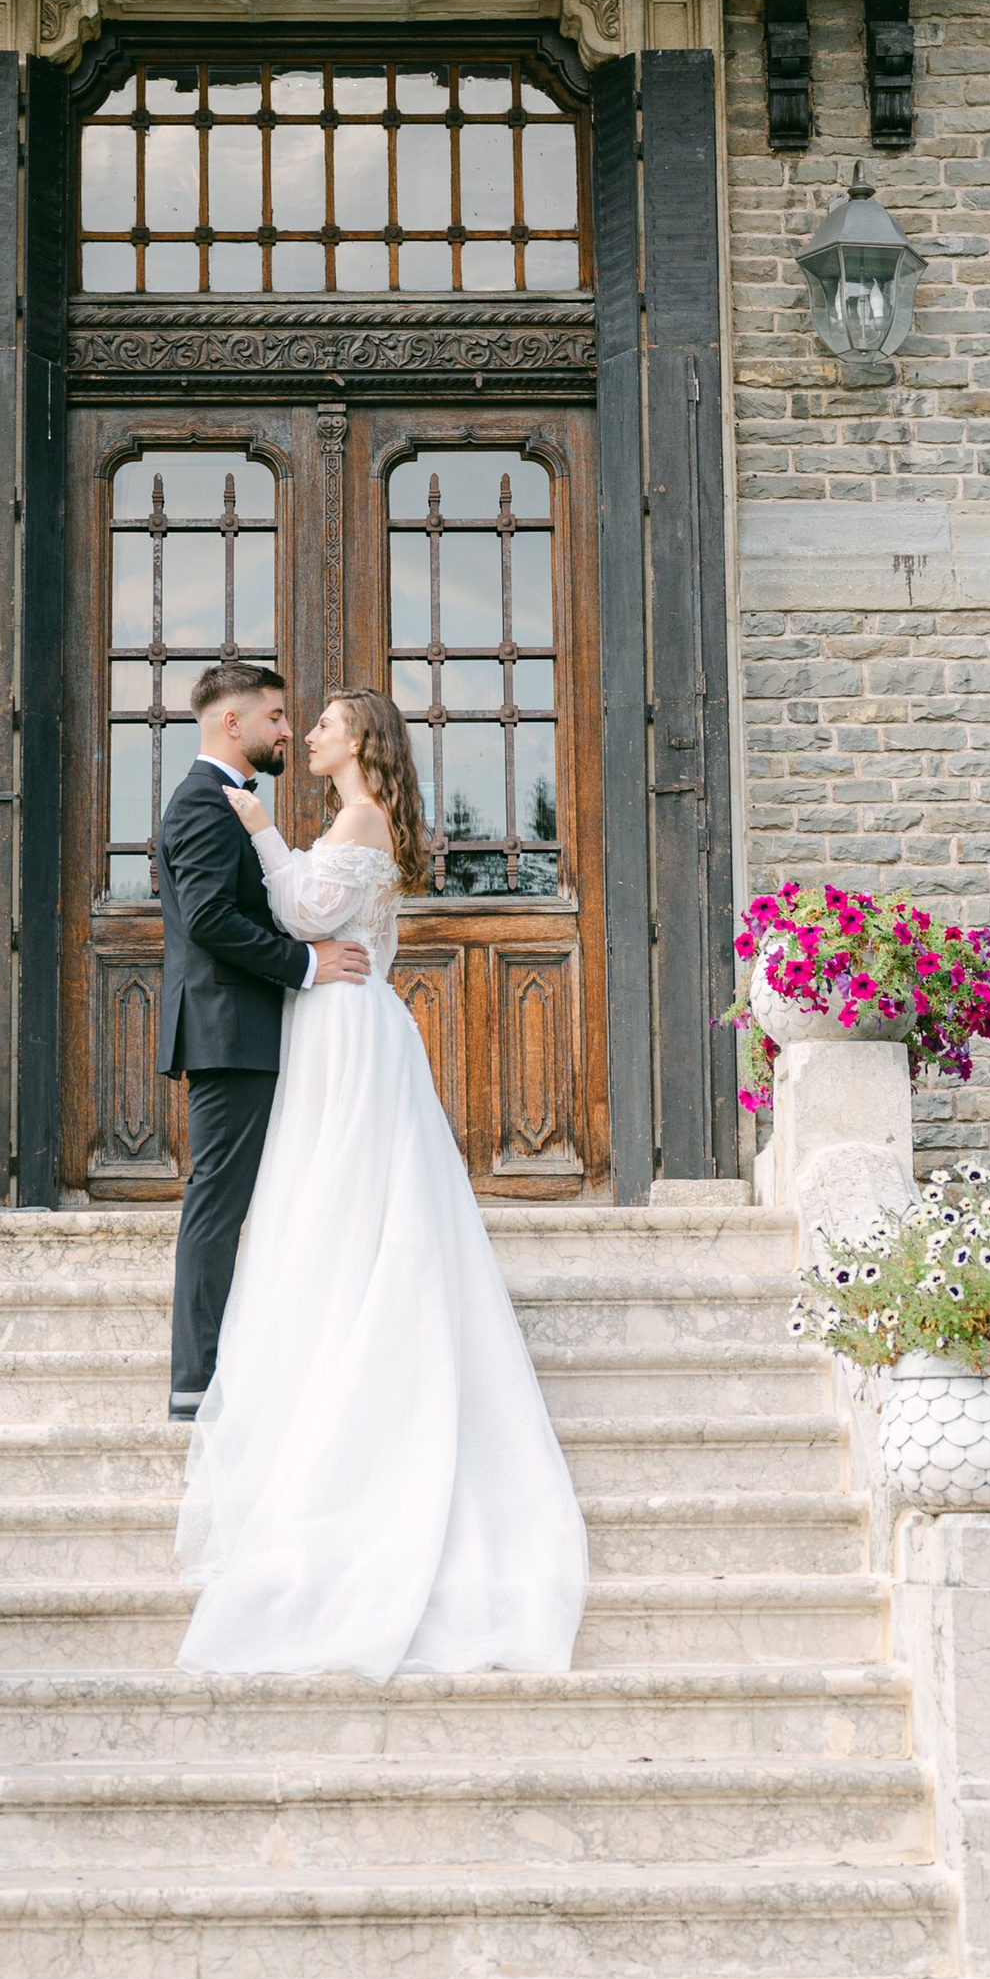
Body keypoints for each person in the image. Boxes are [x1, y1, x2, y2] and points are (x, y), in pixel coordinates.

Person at [175, 684, 589, 1682]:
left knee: (347, 1191)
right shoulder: (353, 817)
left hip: (346, 1023)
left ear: (360, 741)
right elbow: (310, 916)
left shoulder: (356, 818)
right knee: (325, 1192)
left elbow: (304, 911)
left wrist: (264, 831)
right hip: (333, 1019)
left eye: (322, 723)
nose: (307, 733)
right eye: (298, 720)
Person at [157, 658, 373, 1426]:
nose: (288, 730)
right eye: (276, 717)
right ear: (233, 722)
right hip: (229, 1033)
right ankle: (194, 1381)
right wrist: (307, 964)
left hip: (254, 1029)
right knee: (217, 1204)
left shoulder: (231, 801)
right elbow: (210, 920)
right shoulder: (201, 803)